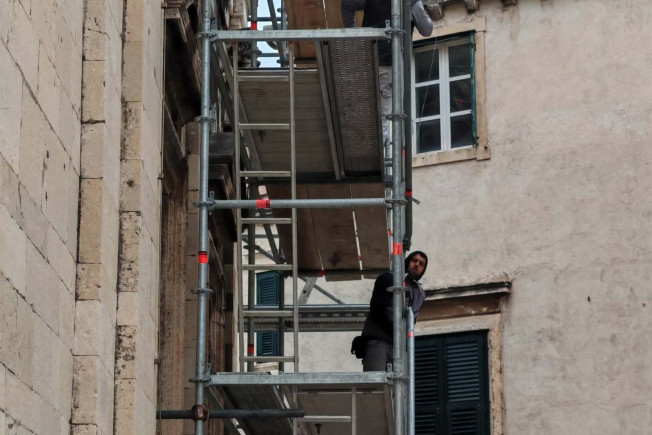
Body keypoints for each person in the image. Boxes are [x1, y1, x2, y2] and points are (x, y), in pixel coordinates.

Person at [341, 0, 433, 145]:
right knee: (385, 119)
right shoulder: (411, 2)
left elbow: (347, 4)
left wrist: (353, 34)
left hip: (368, 58)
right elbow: (427, 29)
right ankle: (381, 153)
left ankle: (365, 145)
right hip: (390, 65)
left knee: (363, 110)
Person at [358, 251, 428, 371]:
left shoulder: (420, 294)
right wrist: (396, 329)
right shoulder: (388, 279)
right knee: (376, 380)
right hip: (379, 340)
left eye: (421, 264)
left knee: (398, 382)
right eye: (414, 260)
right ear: (407, 261)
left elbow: (412, 321)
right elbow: (378, 309)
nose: (417, 265)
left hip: (399, 346)